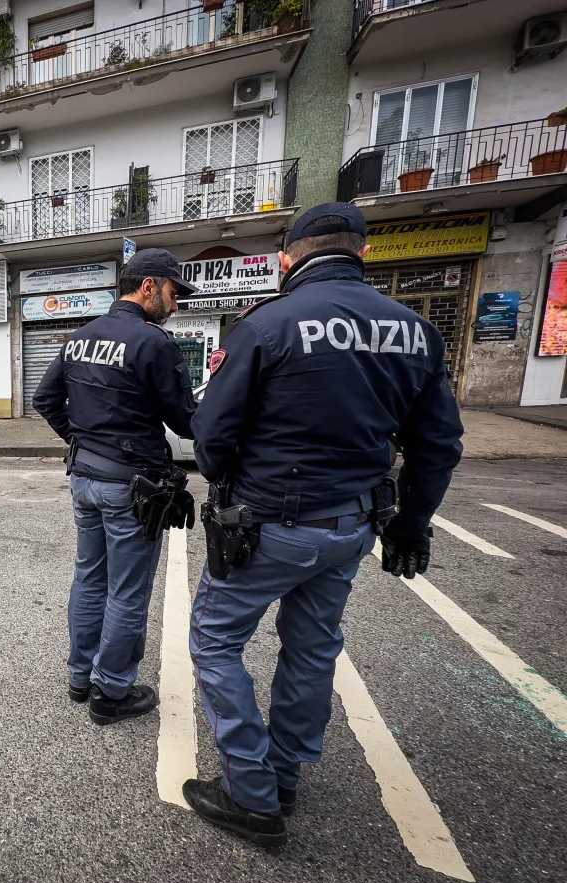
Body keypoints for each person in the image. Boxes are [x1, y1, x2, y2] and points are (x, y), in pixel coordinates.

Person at [182, 203, 464, 848]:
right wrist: (411, 524)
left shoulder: (267, 323)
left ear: (288, 259)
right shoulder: (417, 331)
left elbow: (213, 438)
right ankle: (284, 775)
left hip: (271, 523)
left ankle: (252, 796)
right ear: (362, 254)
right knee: (312, 648)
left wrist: (229, 482)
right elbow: (438, 445)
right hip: (352, 526)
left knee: (215, 642)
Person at [33, 249, 199, 727]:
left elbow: (46, 399)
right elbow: (185, 421)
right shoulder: (154, 343)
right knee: (127, 592)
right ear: (148, 286)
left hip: (85, 479)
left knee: (89, 578)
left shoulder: (79, 337)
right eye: (172, 293)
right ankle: (112, 691)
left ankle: (80, 677)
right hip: (133, 486)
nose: (175, 303)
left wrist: (80, 441)